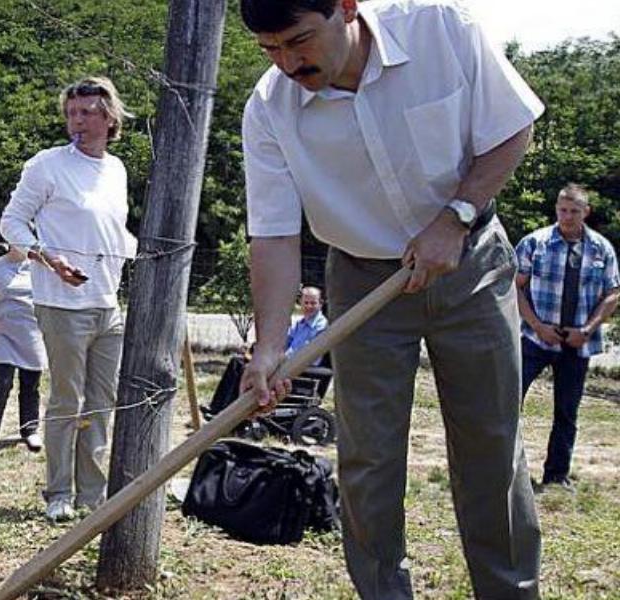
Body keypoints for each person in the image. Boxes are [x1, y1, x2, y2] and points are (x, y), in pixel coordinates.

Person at [237, 0, 544, 596]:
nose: (287, 63)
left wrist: (455, 218)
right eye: (269, 50)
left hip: (469, 262)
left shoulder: (441, 29)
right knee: (367, 461)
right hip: (360, 281)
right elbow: (273, 233)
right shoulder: (269, 107)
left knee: (491, 448)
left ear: (347, 7)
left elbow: (511, 127)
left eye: (299, 40)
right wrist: (269, 347)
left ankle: (509, 590)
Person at [0, 76, 137, 522]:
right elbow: (12, 223)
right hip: (61, 304)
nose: (77, 121)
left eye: (87, 112)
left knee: (101, 402)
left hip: (107, 304)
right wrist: (48, 258)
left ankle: (91, 497)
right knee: (66, 401)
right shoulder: (47, 165)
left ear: (109, 117)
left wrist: (148, 254)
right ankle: (58, 492)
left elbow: (114, 233)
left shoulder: (116, 170)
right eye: (71, 113)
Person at [515, 183, 619, 490]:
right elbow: (515, 286)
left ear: (586, 212)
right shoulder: (536, 243)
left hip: (577, 342)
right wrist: (536, 326)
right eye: (563, 210)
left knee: (566, 411)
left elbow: (613, 293)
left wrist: (587, 330)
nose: (568, 216)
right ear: (556, 209)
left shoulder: (601, 249)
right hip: (536, 339)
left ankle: (557, 475)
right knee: (509, 403)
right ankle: (507, 470)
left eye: (574, 211)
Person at [202, 286, 327, 418]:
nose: (309, 306)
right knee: (237, 361)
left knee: (243, 367)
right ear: (300, 303)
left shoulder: (321, 327)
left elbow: (304, 354)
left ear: (320, 304)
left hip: (300, 368)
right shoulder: (300, 324)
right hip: (285, 362)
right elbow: (282, 343)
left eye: (313, 303)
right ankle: (217, 408)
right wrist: (260, 349)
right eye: (306, 303)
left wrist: (273, 358)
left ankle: (230, 415)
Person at [0, 245, 47, 451]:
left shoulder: (39, 265)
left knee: (31, 384)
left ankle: (30, 431)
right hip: (5, 332)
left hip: (33, 332)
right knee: (2, 382)